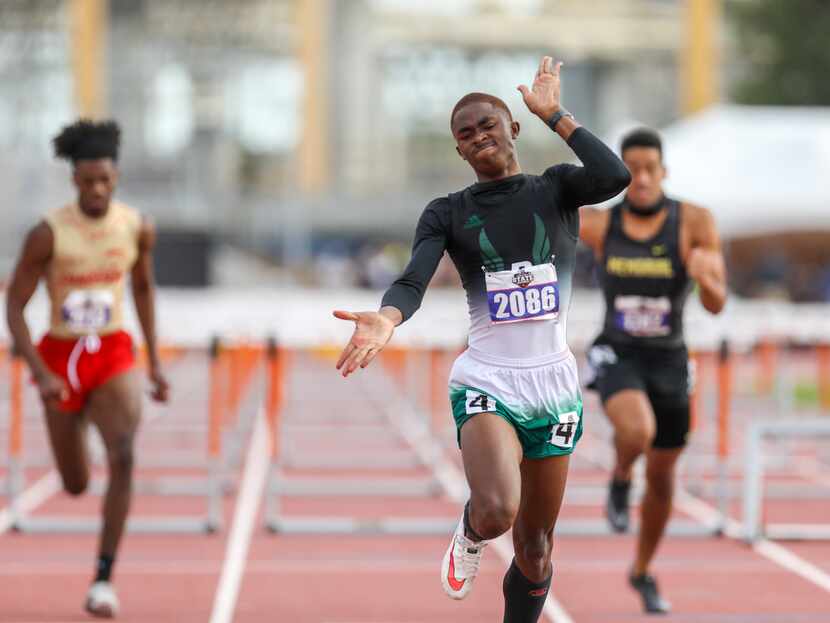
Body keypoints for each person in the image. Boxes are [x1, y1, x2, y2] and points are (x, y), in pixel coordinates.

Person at [333, 57, 630, 623]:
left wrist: (556, 115)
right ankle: (470, 532)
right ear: (459, 152)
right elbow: (413, 277)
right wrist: (389, 318)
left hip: (553, 385)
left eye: (488, 125)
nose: (478, 137)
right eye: (464, 134)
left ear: (513, 128)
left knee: (536, 548)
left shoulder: (558, 188)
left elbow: (614, 177)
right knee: (497, 511)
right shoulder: (448, 212)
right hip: (488, 379)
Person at [5, 119, 169, 618]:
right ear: (74, 179)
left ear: (115, 177)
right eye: (87, 180)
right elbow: (13, 305)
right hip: (60, 356)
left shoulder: (136, 226)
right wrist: (39, 369)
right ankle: (82, 427)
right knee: (74, 483)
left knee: (124, 455)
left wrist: (156, 363)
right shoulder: (47, 233)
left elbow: (142, 289)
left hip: (114, 349)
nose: (97, 189)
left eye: (105, 180)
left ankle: (103, 579)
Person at [580, 127, 727, 614]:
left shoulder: (694, 221)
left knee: (663, 480)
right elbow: (540, 220)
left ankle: (641, 569)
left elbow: (716, 303)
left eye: (650, 170)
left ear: (663, 172)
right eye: (632, 170)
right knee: (637, 431)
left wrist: (706, 281)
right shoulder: (601, 225)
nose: (641, 179)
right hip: (618, 352)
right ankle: (621, 475)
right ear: (622, 175)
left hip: (669, 358)